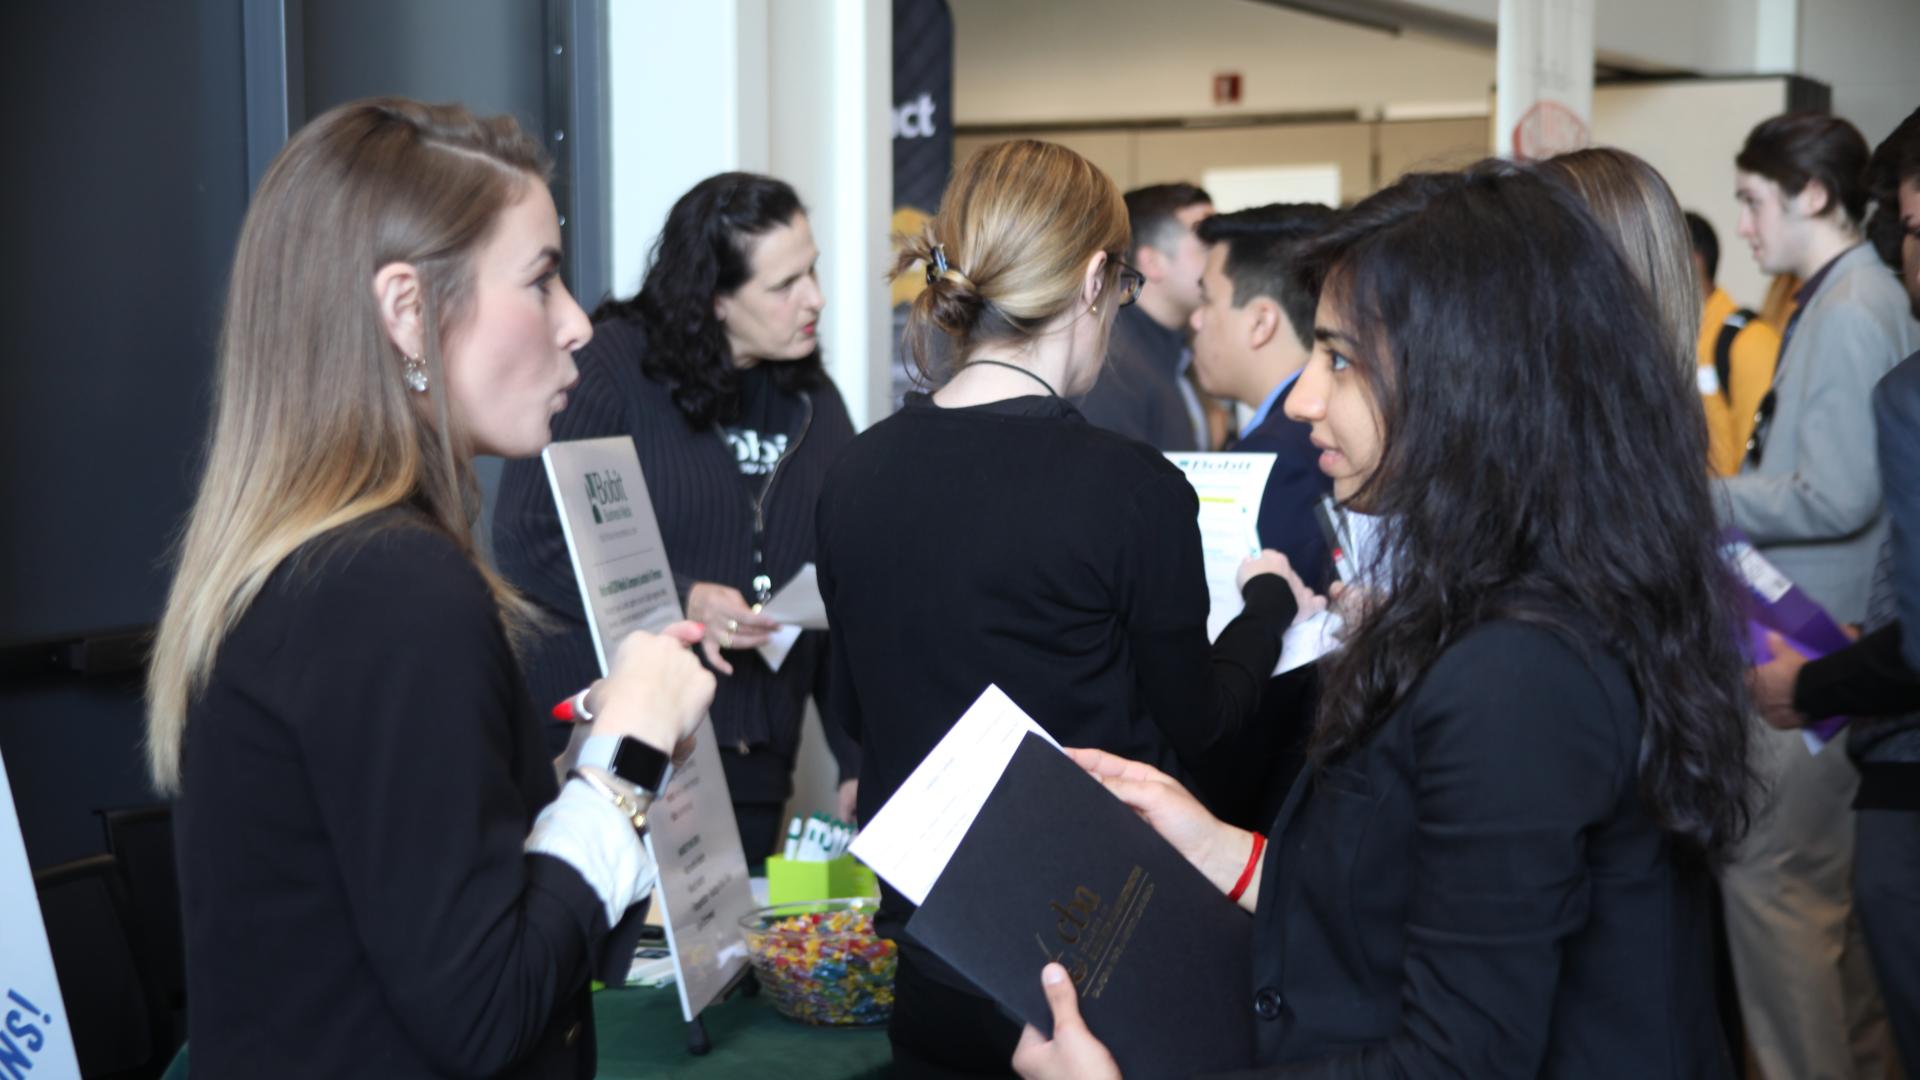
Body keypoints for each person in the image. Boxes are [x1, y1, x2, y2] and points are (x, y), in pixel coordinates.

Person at [1012, 162, 1756, 1079]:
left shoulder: (1518, 668)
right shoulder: (1492, 599)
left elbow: (1456, 1060)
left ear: (1472, 380)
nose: (1305, 398)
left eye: (1341, 359)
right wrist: (1208, 839)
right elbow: (1406, 885)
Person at [145, 99, 715, 1077]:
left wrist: (586, 762)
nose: (578, 323)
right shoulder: (393, 590)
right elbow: (485, 1012)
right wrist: (626, 763)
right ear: (406, 309)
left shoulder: (333, 571)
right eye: (539, 279)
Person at [816, 139, 1321, 1075]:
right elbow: (1199, 726)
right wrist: (1265, 607)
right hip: (1095, 954)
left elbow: (855, 713)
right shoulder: (1125, 486)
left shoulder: (852, 474)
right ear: (1096, 279)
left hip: (931, 955)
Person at [493, 173, 859, 860]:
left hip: (754, 768)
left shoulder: (815, 401)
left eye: (811, 271)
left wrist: (857, 755)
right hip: (620, 751)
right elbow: (530, 538)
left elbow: (844, 589)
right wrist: (683, 596)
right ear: (717, 300)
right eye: (784, 286)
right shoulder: (608, 369)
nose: (815, 298)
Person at [1717, 111, 1916, 1080]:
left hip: (1811, 642)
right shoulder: (1844, 297)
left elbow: (1841, 492)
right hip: (1817, 632)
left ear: (1814, 195)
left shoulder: (1850, 308)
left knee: (1771, 886)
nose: (1745, 226)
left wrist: (1697, 492)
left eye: (1756, 201)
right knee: (1822, 911)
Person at [1188, 203, 1336, 585]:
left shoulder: (1276, 460)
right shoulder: (1328, 427)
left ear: (1260, 322)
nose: (1195, 319)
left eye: (1206, 299)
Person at [1076, 182, 1215, 451]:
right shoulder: (1109, 365)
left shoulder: (1175, 349)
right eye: (1207, 246)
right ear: (1152, 262)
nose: (1222, 259)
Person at [1686, 210, 1783, 476]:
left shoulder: (1748, 342)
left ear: (1693, 262)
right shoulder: (1669, 340)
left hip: (1733, 513)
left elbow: (1763, 468)